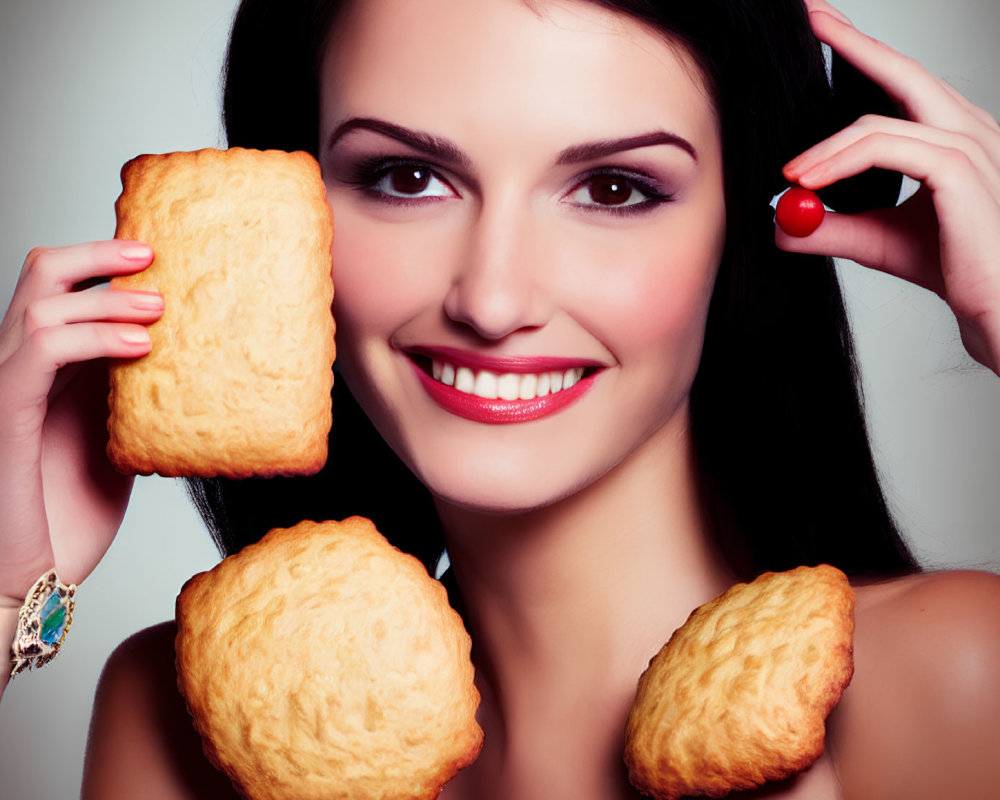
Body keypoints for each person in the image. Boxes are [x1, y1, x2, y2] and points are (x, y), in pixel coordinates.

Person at [1, 0, 998, 797]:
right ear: (283, 222)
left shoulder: (947, 678)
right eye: (406, 177)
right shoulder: (180, 718)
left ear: (740, 228)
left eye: (613, 188)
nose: (492, 296)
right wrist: (7, 587)